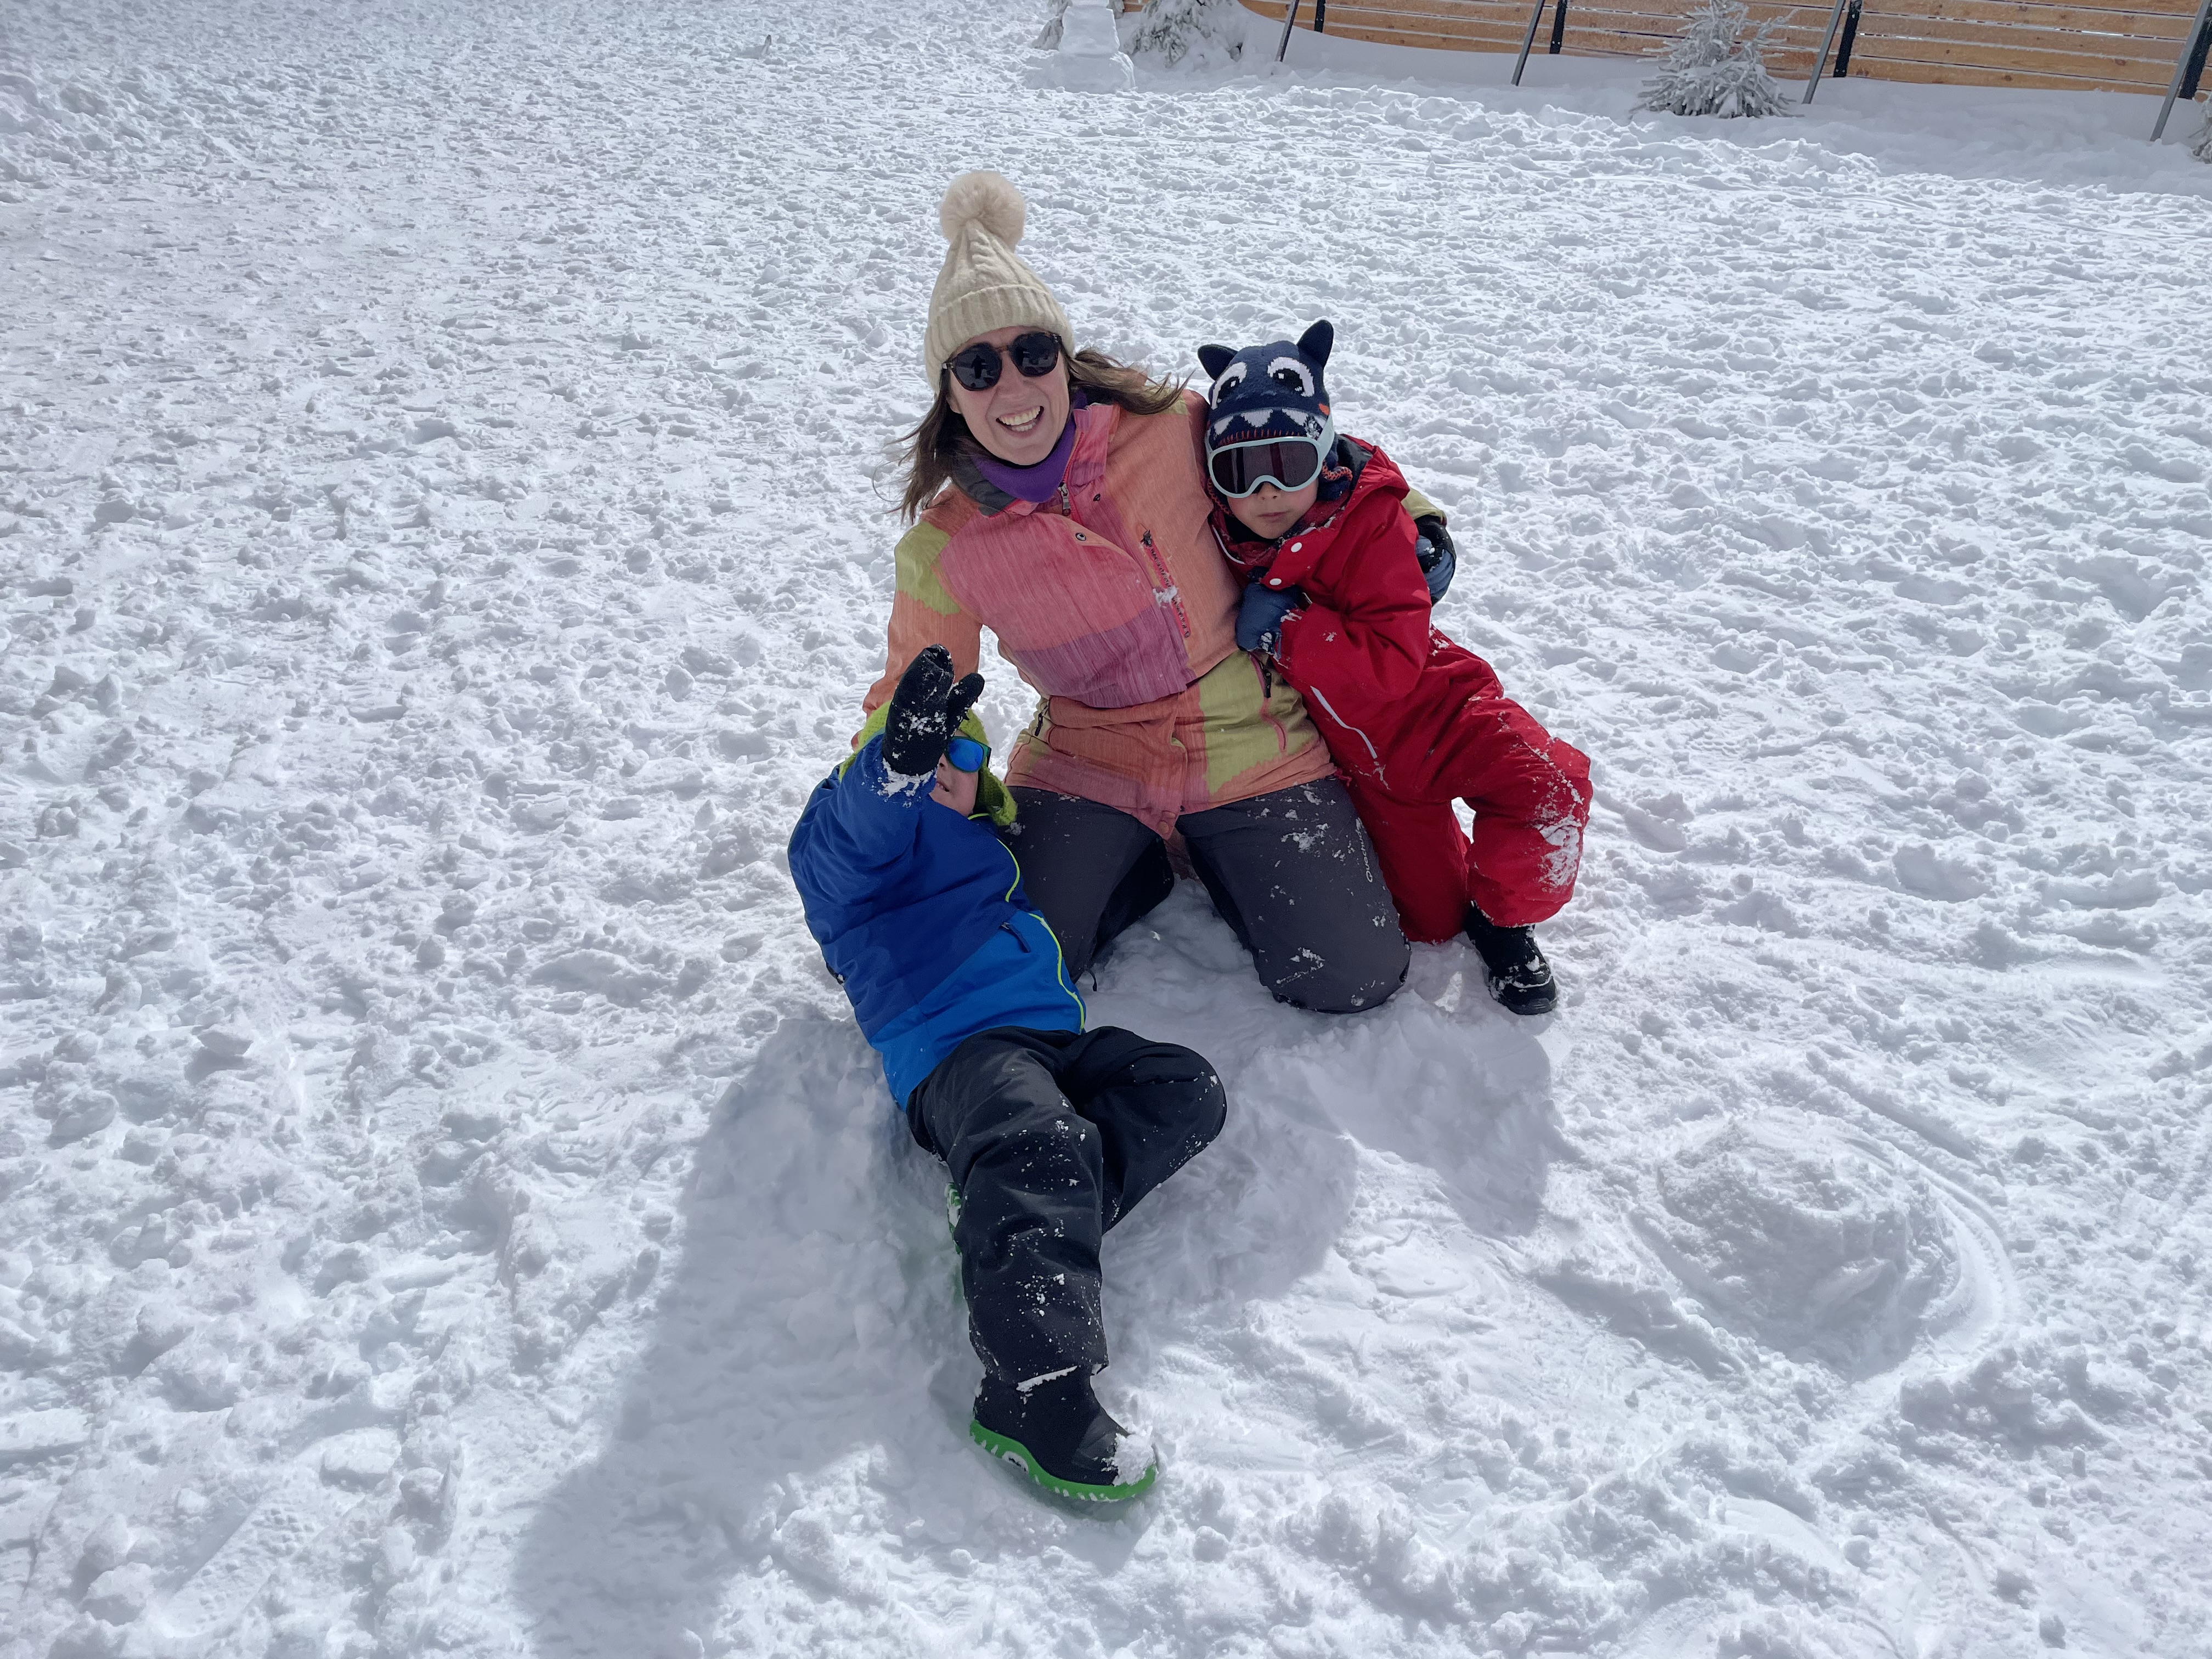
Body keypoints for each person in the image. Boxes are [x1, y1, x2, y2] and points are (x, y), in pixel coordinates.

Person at [866, 170, 1418, 1013]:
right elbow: (915, 692)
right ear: (949, 394)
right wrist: (932, 760)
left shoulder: (1167, 427)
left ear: (1064, 355)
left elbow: (1299, 451)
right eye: (978, 367)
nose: (1012, 387)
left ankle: (1230, 858)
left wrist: (1417, 517)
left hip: (1248, 734)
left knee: (1351, 975)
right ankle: (1139, 868)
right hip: (1091, 757)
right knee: (1006, 955)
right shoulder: (946, 547)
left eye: (1032, 353)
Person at [789, 644, 1227, 1501]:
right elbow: (848, 841)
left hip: (1048, 1044)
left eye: (961, 761)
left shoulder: (985, 855)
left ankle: (1020, 1201)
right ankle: (1033, 1392)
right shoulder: (856, 856)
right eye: (928, 756)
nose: (941, 775)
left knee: (1185, 1090)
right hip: (958, 1051)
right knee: (1043, 1140)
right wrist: (892, 764)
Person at [1199, 321, 1592, 1015]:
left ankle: (1506, 919)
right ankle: (1465, 906)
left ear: (1322, 454)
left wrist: (1291, 629)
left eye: (1288, 462)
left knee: (1548, 785)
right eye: (1240, 471)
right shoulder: (1227, 542)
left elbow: (1387, 661)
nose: (1265, 491)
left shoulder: (1369, 524)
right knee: (1431, 922)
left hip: (1440, 711)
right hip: (1367, 770)